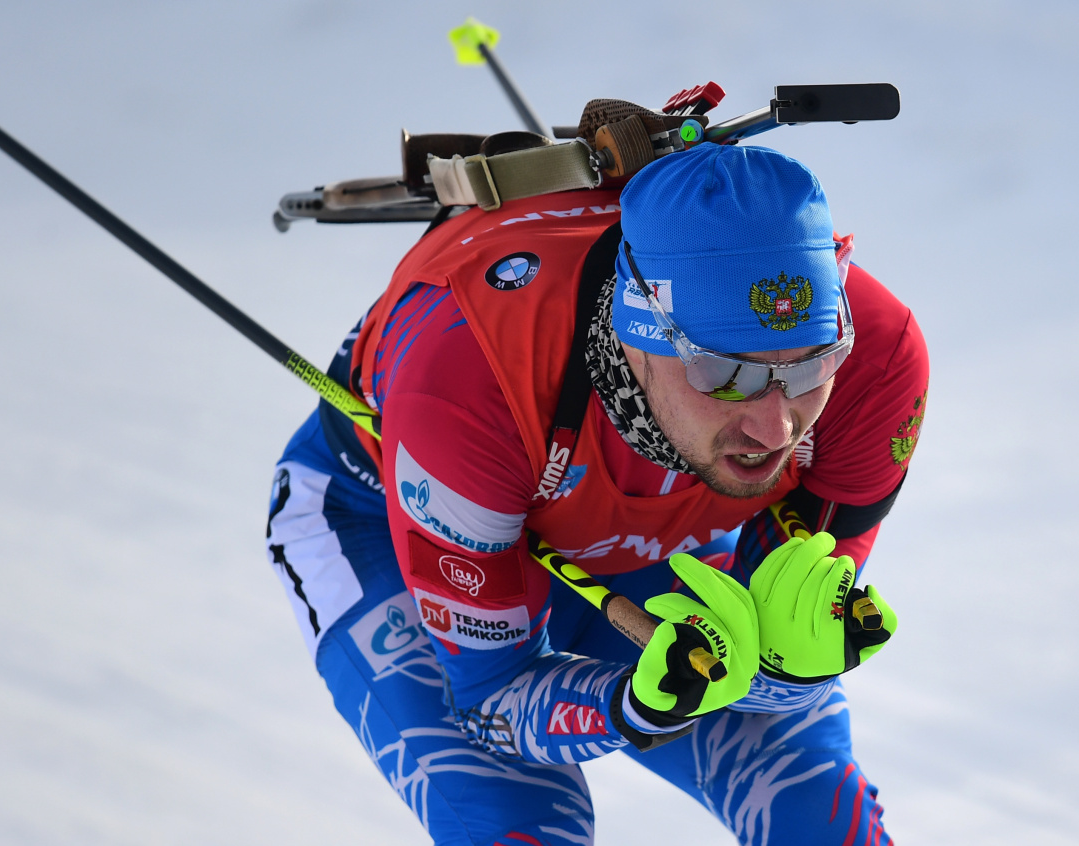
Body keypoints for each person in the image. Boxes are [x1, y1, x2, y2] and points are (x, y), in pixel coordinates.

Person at [266, 142, 928, 845]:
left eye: (810, 369)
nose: (777, 427)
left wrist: (785, 670)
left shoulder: (876, 361)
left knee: (814, 811)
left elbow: (770, 644)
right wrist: (629, 708)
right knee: (524, 826)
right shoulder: (471, 381)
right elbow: (493, 697)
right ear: (639, 336)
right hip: (381, 522)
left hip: (644, 549)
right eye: (726, 376)